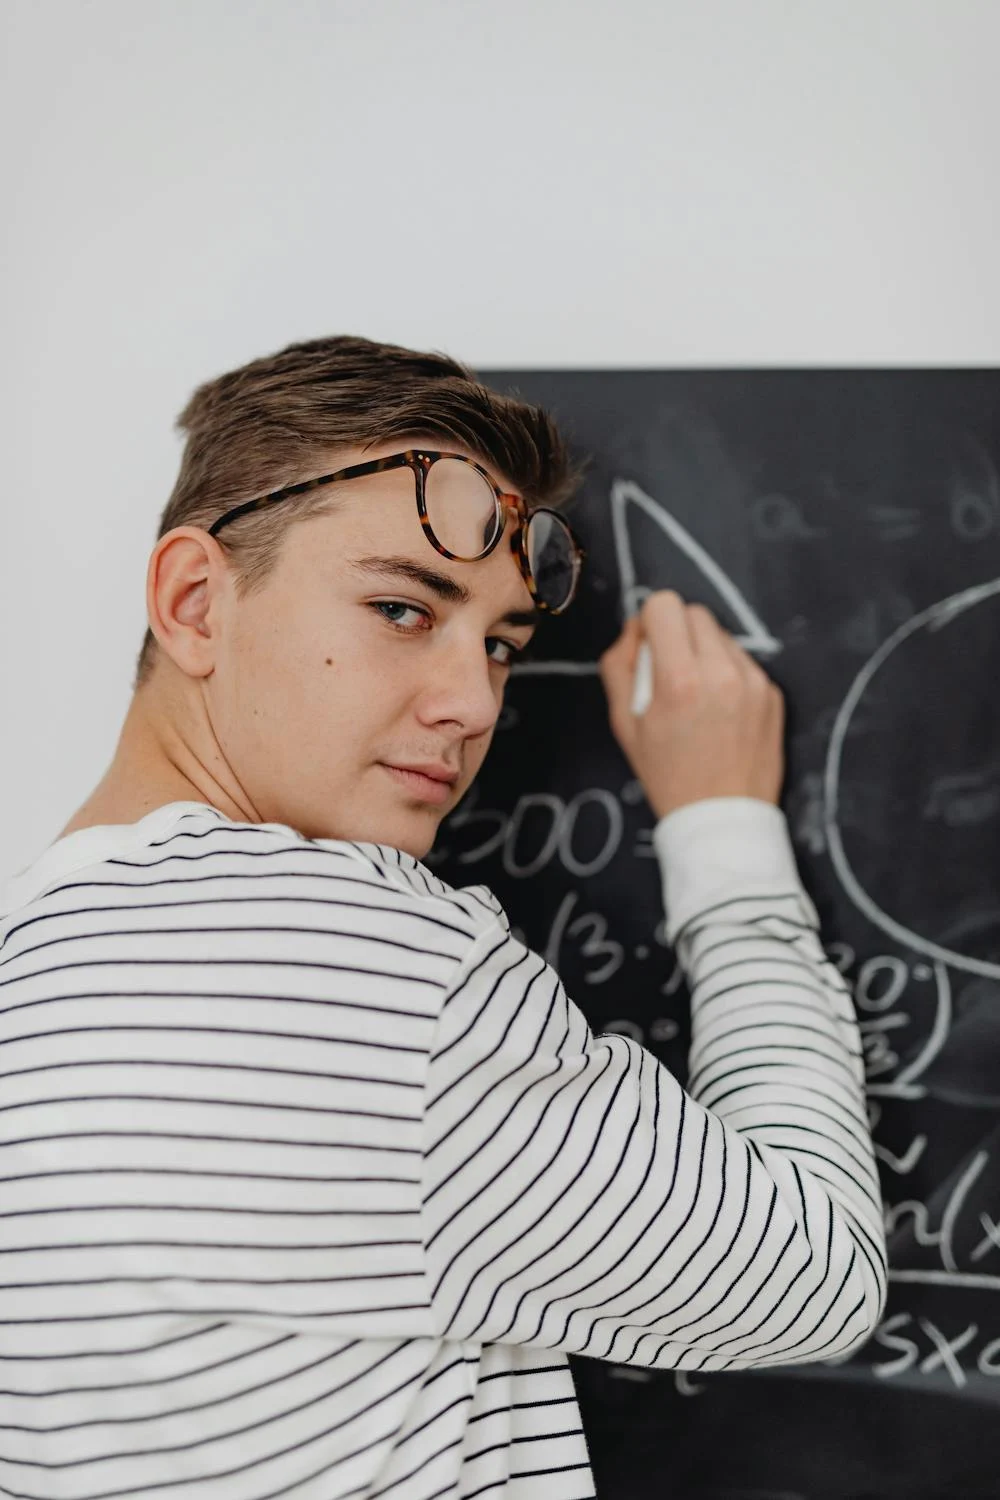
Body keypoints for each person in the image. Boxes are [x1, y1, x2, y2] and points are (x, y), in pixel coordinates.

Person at [0, 335, 886, 1500]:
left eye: (501, 642)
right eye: (403, 610)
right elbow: (813, 1275)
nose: (472, 703)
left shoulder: (33, 962)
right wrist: (725, 832)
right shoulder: (368, 970)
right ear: (195, 602)